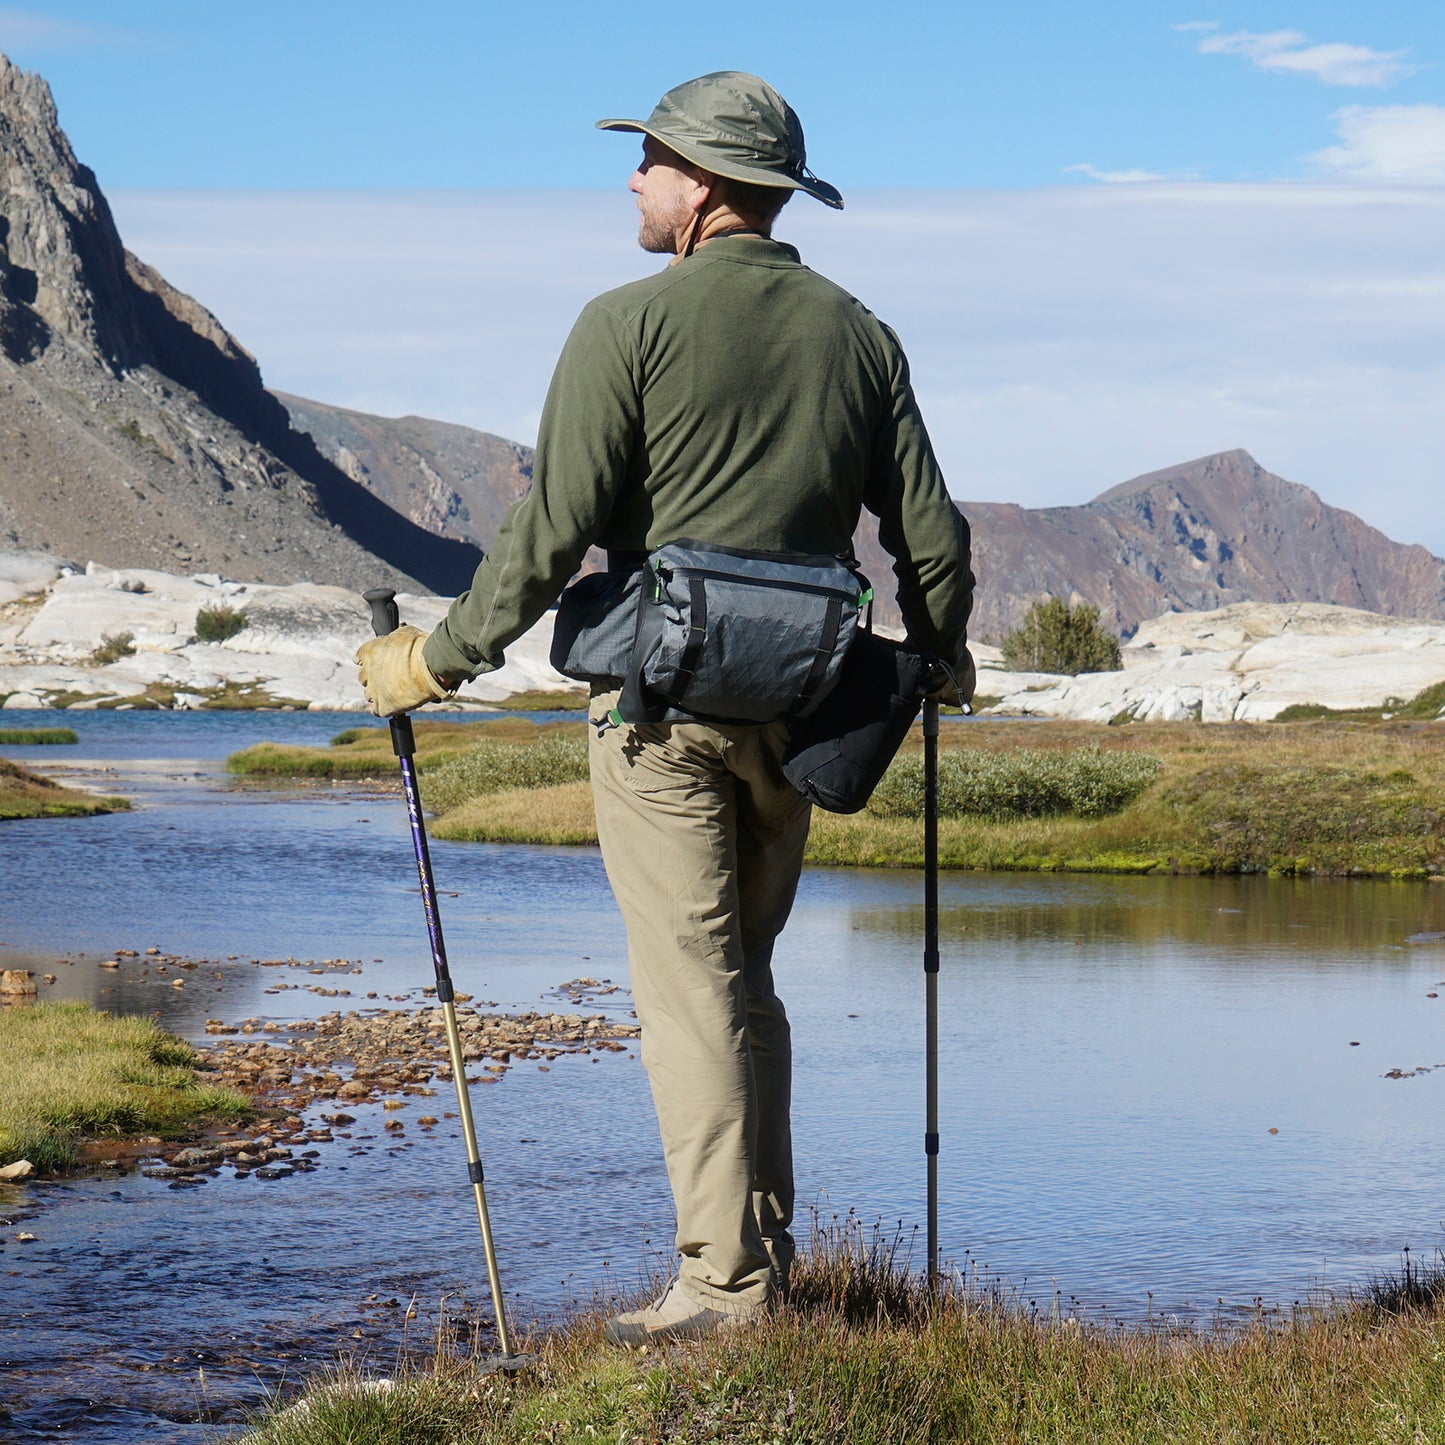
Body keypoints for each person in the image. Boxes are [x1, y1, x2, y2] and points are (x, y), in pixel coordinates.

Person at [356, 70, 974, 1346]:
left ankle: (723, 1289)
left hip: (657, 714)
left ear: (700, 186)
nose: (630, 178)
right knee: (742, 983)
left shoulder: (620, 325)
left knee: (689, 991)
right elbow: (934, 541)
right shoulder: (859, 334)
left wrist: (433, 664)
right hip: (802, 712)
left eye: (646, 158)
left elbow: (549, 535)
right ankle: (767, 1253)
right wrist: (943, 655)